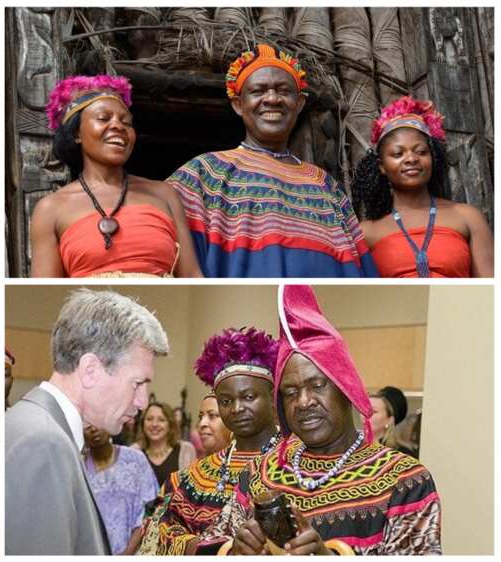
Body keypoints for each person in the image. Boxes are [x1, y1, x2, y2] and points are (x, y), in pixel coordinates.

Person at [199, 285, 442, 555]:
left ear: (346, 387)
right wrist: (236, 551)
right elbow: (214, 540)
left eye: (317, 386)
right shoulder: (259, 475)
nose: (303, 402)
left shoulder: (404, 480)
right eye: (290, 392)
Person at [168, 44, 377, 277]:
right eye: (258, 91)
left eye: (283, 91)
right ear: (238, 104)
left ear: (299, 104)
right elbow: (154, 240)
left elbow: (359, 272)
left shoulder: (326, 186)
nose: (272, 99)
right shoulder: (205, 173)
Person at [5, 288, 169, 554]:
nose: (143, 401)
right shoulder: (44, 443)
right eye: (137, 383)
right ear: (90, 371)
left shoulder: (38, 424)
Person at [30, 75, 202, 277]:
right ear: (76, 133)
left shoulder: (164, 194)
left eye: (126, 123)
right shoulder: (51, 209)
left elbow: (192, 277)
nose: (118, 126)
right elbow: (45, 291)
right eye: (103, 118)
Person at [139, 327, 281, 555]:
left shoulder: (297, 464)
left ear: (273, 400)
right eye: (225, 401)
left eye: (249, 397)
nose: (236, 408)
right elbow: (164, 533)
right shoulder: (195, 476)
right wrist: (221, 549)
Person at [351, 96, 494, 277]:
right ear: (382, 166)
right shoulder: (366, 233)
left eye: (421, 151)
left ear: (432, 158)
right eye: (398, 153)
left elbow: (490, 292)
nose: (411, 159)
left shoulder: (467, 217)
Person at [83, 424, 159, 555]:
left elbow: (151, 510)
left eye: (98, 422)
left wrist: (127, 553)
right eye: (87, 424)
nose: (93, 428)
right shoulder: (79, 468)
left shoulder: (135, 459)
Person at [134, 402, 195, 487]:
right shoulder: (134, 452)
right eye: (149, 419)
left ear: (170, 424)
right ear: (142, 424)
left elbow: (192, 489)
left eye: (161, 420)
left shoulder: (186, 450)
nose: (154, 424)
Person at [370, 386, 418, 458]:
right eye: (364, 409)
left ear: (390, 420)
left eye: (373, 411)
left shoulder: (402, 456)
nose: (365, 415)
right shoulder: (353, 449)